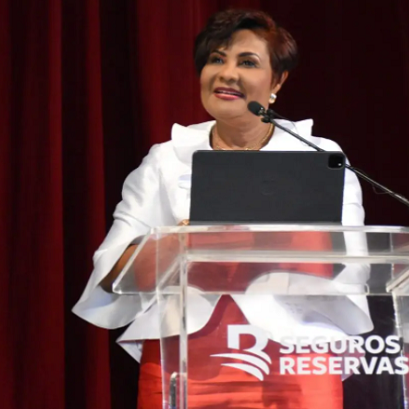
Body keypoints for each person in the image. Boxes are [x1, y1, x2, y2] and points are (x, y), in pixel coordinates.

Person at [73, 9, 372, 409]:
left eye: (247, 62)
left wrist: (237, 242)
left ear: (277, 81)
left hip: (298, 355)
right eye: (216, 59)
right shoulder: (167, 159)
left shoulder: (319, 157)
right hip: (184, 358)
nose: (226, 73)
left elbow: (353, 265)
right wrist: (178, 243)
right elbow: (112, 271)